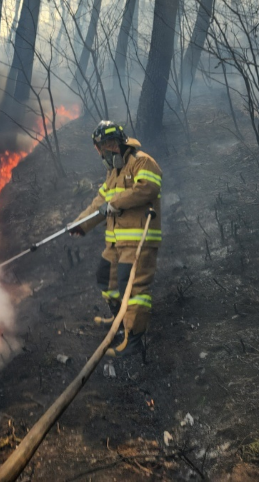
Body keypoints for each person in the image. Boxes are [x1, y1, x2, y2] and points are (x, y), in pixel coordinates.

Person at [70, 121, 163, 359]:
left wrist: (116, 202)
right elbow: (99, 204)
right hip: (115, 245)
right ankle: (120, 320)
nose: (102, 154)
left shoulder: (142, 162)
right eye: (99, 149)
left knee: (133, 291)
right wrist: (81, 224)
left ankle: (134, 341)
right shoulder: (113, 172)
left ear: (114, 144)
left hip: (138, 242)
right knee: (106, 282)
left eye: (104, 147)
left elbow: (148, 188)